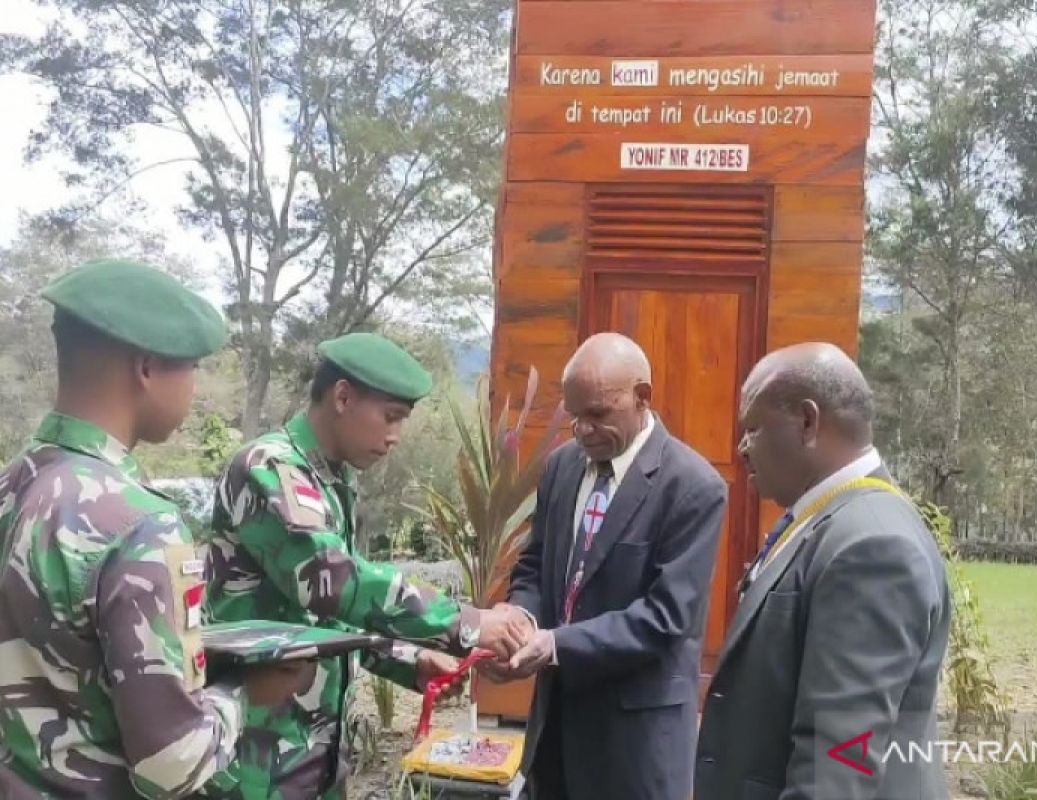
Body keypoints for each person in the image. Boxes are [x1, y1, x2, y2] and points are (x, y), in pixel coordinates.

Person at [0, 258, 307, 798]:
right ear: (146, 368)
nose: (195, 387)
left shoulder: (11, 488)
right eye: (191, 367)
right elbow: (173, 764)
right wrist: (247, 694)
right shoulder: (139, 523)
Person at [205, 331, 533, 798]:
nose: (395, 437)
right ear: (342, 396)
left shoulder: (333, 480)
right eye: (390, 417)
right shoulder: (270, 469)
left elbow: (331, 620)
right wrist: (467, 622)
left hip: (314, 745)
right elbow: (332, 582)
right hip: (258, 749)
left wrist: (409, 662)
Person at [694, 342, 951, 800]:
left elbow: (837, 766)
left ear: (808, 422)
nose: (742, 448)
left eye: (753, 428)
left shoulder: (872, 547)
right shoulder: (826, 521)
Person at [486, 332, 728, 800]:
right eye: (575, 416)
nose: (582, 431)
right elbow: (536, 564)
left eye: (597, 415)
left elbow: (665, 618)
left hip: (635, 748)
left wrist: (554, 644)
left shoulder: (693, 487)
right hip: (555, 734)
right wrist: (520, 619)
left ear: (643, 398)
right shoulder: (561, 468)